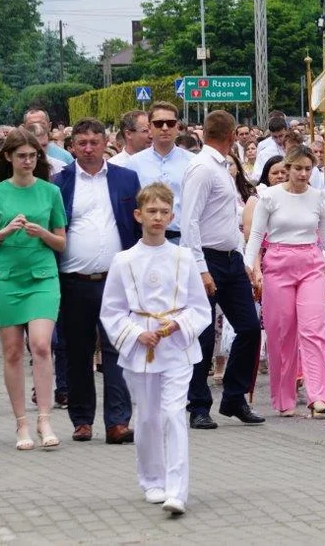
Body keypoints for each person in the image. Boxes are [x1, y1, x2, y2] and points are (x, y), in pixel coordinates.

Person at [99, 183, 213, 516]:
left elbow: (199, 307)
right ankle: (152, 479)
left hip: (175, 347)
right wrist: (136, 333)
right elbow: (112, 310)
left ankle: (177, 490)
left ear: (172, 215)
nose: (158, 217)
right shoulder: (123, 261)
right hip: (141, 349)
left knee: (173, 414)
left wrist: (179, 325)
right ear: (139, 215)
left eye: (164, 211)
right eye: (152, 211)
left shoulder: (183, 257)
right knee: (147, 417)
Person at [244, 147, 325, 418]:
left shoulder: (320, 198)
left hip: (310, 264)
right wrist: (249, 266)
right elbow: (256, 235)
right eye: (298, 168)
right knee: (282, 332)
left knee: (313, 329)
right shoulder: (269, 197)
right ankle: (284, 398)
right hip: (278, 265)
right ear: (288, 168)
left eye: (308, 169)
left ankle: (318, 395)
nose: (303, 174)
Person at [0, 129, 67, 450]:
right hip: (5, 278)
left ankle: (44, 418)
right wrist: (2, 233)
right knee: (12, 351)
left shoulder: (50, 192)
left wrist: (42, 232)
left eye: (33, 156)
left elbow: (61, 241)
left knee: (42, 345)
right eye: (22, 156)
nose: (28, 161)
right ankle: (21, 424)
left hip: (42, 276)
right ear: (8, 158)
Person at [52, 118, 141, 445]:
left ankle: (118, 421)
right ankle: (82, 419)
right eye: (82, 143)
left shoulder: (126, 179)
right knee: (77, 350)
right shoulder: (59, 183)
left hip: (116, 281)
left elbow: (138, 227)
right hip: (73, 281)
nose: (88, 148)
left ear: (107, 143)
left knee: (117, 349)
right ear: (72, 146)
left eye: (94, 141)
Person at [181, 111, 266, 429]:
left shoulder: (220, 168)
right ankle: (198, 404)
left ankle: (233, 397)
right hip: (206, 258)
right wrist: (201, 269)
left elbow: (228, 218)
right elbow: (188, 221)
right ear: (232, 136)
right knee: (203, 336)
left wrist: (243, 260)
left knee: (248, 328)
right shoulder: (202, 168)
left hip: (229, 258)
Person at [128, 103, 194, 244]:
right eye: (159, 124)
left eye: (170, 123)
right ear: (150, 128)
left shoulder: (193, 162)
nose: (165, 128)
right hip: (146, 239)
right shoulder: (133, 163)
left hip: (183, 239)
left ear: (177, 127)